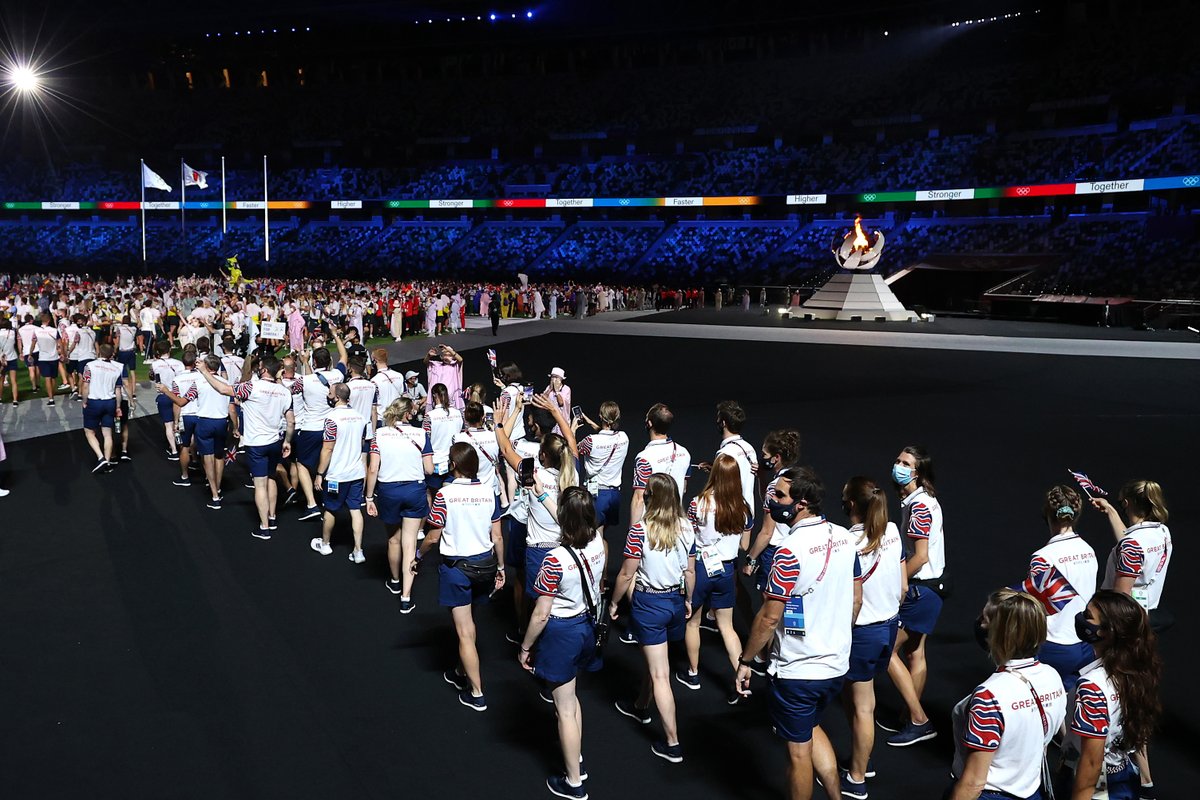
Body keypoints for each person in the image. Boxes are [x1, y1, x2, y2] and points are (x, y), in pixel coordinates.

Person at [734, 466, 861, 800]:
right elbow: (857, 598)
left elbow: (768, 618)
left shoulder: (789, 551)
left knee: (798, 753)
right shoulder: (845, 537)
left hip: (797, 671)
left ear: (801, 503)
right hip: (836, 665)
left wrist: (746, 660)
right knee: (811, 729)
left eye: (779, 496)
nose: (772, 501)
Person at [520, 487, 606, 800]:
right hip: (586, 627)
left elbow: (541, 614)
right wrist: (543, 496)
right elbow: (570, 520)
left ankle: (573, 782)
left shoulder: (554, 560)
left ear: (564, 520)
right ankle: (576, 758)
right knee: (571, 698)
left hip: (561, 633)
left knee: (564, 709)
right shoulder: (598, 542)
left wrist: (525, 647)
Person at [1089, 480, 1171, 796]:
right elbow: (1131, 544)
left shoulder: (1133, 545)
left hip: (1122, 631)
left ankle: (1108, 781)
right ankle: (1146, 780)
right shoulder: (1160, 533)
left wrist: (1101, 628)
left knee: (1120, 704)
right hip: (1144, 620)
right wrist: (1110, 512)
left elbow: (1120, 599)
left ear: (1129, 503)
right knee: (1135, 700)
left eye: (1120, 504)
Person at [609, 473, 696, 764]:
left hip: (649, 604)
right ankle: (640, 704)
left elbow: (626, 574)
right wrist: (688, 600)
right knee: (657, 660)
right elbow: (690, 572)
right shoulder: (687, 527)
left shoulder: (640, 530)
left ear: (653, 497)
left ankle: (672, 743)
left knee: (661, 674)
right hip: (674, 602)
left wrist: (614, 602)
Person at [948, 589, 1066, 800]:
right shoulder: (1053, 677)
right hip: (1032, 790)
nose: (979, 624)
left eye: (984, 620)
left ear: (1000, 633)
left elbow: (974, 783)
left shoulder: (989, 697)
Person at [416, 442, 505, 711]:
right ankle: (459, 670)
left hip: (457, 570)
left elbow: (433, 537)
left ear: (453, 465)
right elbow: (497, 536)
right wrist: (501, 568)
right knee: (471, 622)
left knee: (464, 631)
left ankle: (477, 693)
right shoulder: (488, 492)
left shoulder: (445, 495)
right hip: (485, 565)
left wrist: (418, 556)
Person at [1060, 590, 1162, 800]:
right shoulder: (1138, 671)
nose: (1081, 618)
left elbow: (1091, 763)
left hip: (1096, 781)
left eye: (1088, 616)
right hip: (1124, 773)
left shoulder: (1092, 686)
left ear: (1107, 632)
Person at [840, 477, 906, 799]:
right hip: (888, 626)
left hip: (862, 632)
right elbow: (903, 587)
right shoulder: (892, 531)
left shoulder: (846, 544)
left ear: (851, 504)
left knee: (862, 707)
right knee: (862, 700)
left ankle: (857, 777)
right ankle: (860, 758)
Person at [886, 445, 947, 746]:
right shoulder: (921, 500)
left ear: (918, 473)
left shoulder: (919, 507)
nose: (898, 466)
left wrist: (894, 582)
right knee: (915, 653)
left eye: (905, 463)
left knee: (885, 650)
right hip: (933, 588)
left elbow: (920, 557)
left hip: (920, 590)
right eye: (898, 460)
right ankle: (908, 717)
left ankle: (919, 719)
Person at [198, 354, 295, 539]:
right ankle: (272, 517)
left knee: (260, 485)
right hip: (275, 441)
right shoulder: (284, 392)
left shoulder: (251, 387)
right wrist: (287, 441)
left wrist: (204, 371)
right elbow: (291, 421)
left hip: (257, 443)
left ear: (263, 370)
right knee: (271, 478)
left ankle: (264, 527)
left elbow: (223, 389)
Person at [678, 454, 752, 698]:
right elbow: (744, 544)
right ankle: (741, 678)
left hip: (701, 567)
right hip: (727, 570)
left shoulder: (698, 503)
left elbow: (688, 536)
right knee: (727, 627)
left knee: (693, 622)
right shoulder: (743, 508)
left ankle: (693, 673)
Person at [1017, 485, 1097, 692]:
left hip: (1054, 647)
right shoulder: (1089, 550)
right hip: (1086, 644)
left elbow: (1034, 608)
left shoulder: (1043, 557)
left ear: (1047, 514)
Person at [365, 396, 432, 612]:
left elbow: (373, 468)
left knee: (393, 539)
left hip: (389, 490)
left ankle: (394, 581)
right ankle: (406, 596)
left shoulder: (380, 434)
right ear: (408, 414)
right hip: (414, 489)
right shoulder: (421, 433)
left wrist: (368, 498)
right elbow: (429, 469)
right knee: (410, 544)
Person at [293, 332, 349, 521]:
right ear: (329, 361)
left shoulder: (305, 380)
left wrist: (303, 362)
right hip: (332, 426)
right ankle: (329, 500)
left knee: (302, 464)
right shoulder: (338, 375)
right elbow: (344, 356)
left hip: (311, 428)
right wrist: (336, 336)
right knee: (328, 464)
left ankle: (311, 504)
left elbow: (290, 390)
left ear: (314, 361)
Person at [312, 383, 368, 562]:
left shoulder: (331, 418)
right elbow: (361, 444)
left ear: (336, 397)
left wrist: (319, 473)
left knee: (330, 509)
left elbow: (327, 449)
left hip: (337, 474)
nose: (328, 396)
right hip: (356, 473)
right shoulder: (360, 417)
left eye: (330, 393)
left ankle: (325, 544)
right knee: (356, 510)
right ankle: (358, 550)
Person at [629, 403, 691, 524]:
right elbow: (683, 488)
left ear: (649, 423)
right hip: (675, 522)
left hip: (652, 525)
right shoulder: (684, 453)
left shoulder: (644, 458)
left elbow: (639, 499)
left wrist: (633, 530)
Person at [577, 401, 629, 535]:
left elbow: (573, 450)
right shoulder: (623, 437)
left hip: (597, 494)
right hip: (614, 495)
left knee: (593, 537)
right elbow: (606, 436)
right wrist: (589, 422)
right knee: (603, 535)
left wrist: (572, 427)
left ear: (600, 416)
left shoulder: (590, 441)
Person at [79, 343, 127, 474]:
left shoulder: (90, 365)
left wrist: (84, 401)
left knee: (89, 432)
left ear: (99, 352)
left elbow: (85, 385)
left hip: (94, 401)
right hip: (110, 402)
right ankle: (107, 461)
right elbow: (118, 391)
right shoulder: (116, 369)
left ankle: (101, 457)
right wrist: (118, 406)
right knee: (107, 433)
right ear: (111, 354)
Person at [160, 349, 203, 486]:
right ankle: (206, 474)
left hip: (186, 415)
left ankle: (185, 476)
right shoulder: (202, 377)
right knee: (204, 445)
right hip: (201, 414)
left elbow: (177, 402)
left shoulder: (177, 379)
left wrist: (176, 421)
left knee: (184, 446)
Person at [425, 382, 465, 500]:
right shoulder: (458, 413)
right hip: (454, 461)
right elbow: (462, 434)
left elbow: (425, 440)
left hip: (436, 462)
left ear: (434, 396)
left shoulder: (429, 416)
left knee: (433, 495)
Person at [148, 341, 185, 460]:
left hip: (164, 395)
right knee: (179, 422)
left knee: (168, 425)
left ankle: (174, 451)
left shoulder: (155, 364)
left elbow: (151, 377)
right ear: (169, 350)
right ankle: (184, 447)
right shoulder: (179, 363)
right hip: (177, 395)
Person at [426, 344, 464, 410]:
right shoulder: (436, 365)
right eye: (445, 355)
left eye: (449, 355)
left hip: (451, 398)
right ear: (441, 356)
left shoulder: (455, 365)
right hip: (438, 397)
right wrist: (428, 355)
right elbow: (426, 362)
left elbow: (460, 359)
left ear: (453, 357)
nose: (446, 357)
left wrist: (449, 350)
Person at [34, 313, 61, 405]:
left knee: (47, 378)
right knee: (53, 377)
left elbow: (33, 342)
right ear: (49, 321)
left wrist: (30, 353)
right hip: (54, 357)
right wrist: (63, 353)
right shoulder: (54, 330)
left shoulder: (37, 331)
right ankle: (52, 394)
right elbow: (60, 343)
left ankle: (51, 398)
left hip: (43, 357)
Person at [370, 348, 405, 412]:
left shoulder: (374, 381)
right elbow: (405, 396)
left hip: (383, 415)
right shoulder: (399, 375)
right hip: (398, 414)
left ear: (375, 360)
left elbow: (374, 406)